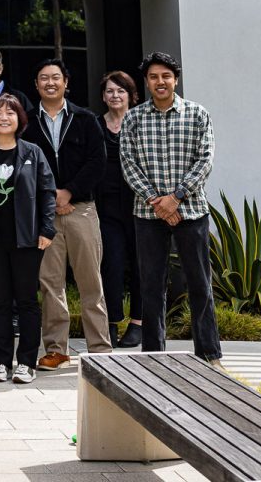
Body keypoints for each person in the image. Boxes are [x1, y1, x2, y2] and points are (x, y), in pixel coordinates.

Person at [119, 52, 221, 364]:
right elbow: (128, 163)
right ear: (146, 82)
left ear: (175, 79)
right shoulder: (134, 118)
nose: (160, 82)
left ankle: (209, 353)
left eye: (165, 76)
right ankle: (153, 356)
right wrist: (158, 202)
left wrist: (175, 197)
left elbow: (205, 159)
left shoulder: (196, 114)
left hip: (191, 212)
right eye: (153, 77)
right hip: (148, 215)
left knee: (200, 284)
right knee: (151, 286)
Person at [22, 59, 112, 370]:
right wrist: (51, 197)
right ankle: (56, 349)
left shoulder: (86, 119)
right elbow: (24, 165)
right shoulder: (27, 123)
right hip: (43, 214)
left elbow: (97, 162)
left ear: (66, 82)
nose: (50, 82)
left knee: (90, 280)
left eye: (55, 77)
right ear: (36, 85)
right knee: (50, 283)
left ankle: (100, 347)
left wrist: (70, 191)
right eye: (43, 78)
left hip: (82, 210)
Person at [0, 94, 56, 385]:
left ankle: (26, 362)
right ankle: (2, 361)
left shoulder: (32, 152)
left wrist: (47, 229)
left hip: (27, 239)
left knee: (27, 301)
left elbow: (47, 192)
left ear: (19, 119)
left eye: (10, 113)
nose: (4, 117)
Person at [96, 70, 143, 348]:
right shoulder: (94, 123)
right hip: (107, 205)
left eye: (120, 91)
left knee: (140, 264)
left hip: (139, 204)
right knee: (110, 265)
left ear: (130, 95)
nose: (115, 96)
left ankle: (138, 322)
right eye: (110, 91)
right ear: (103, 96)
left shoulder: (141, 122)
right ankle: (111, 322)